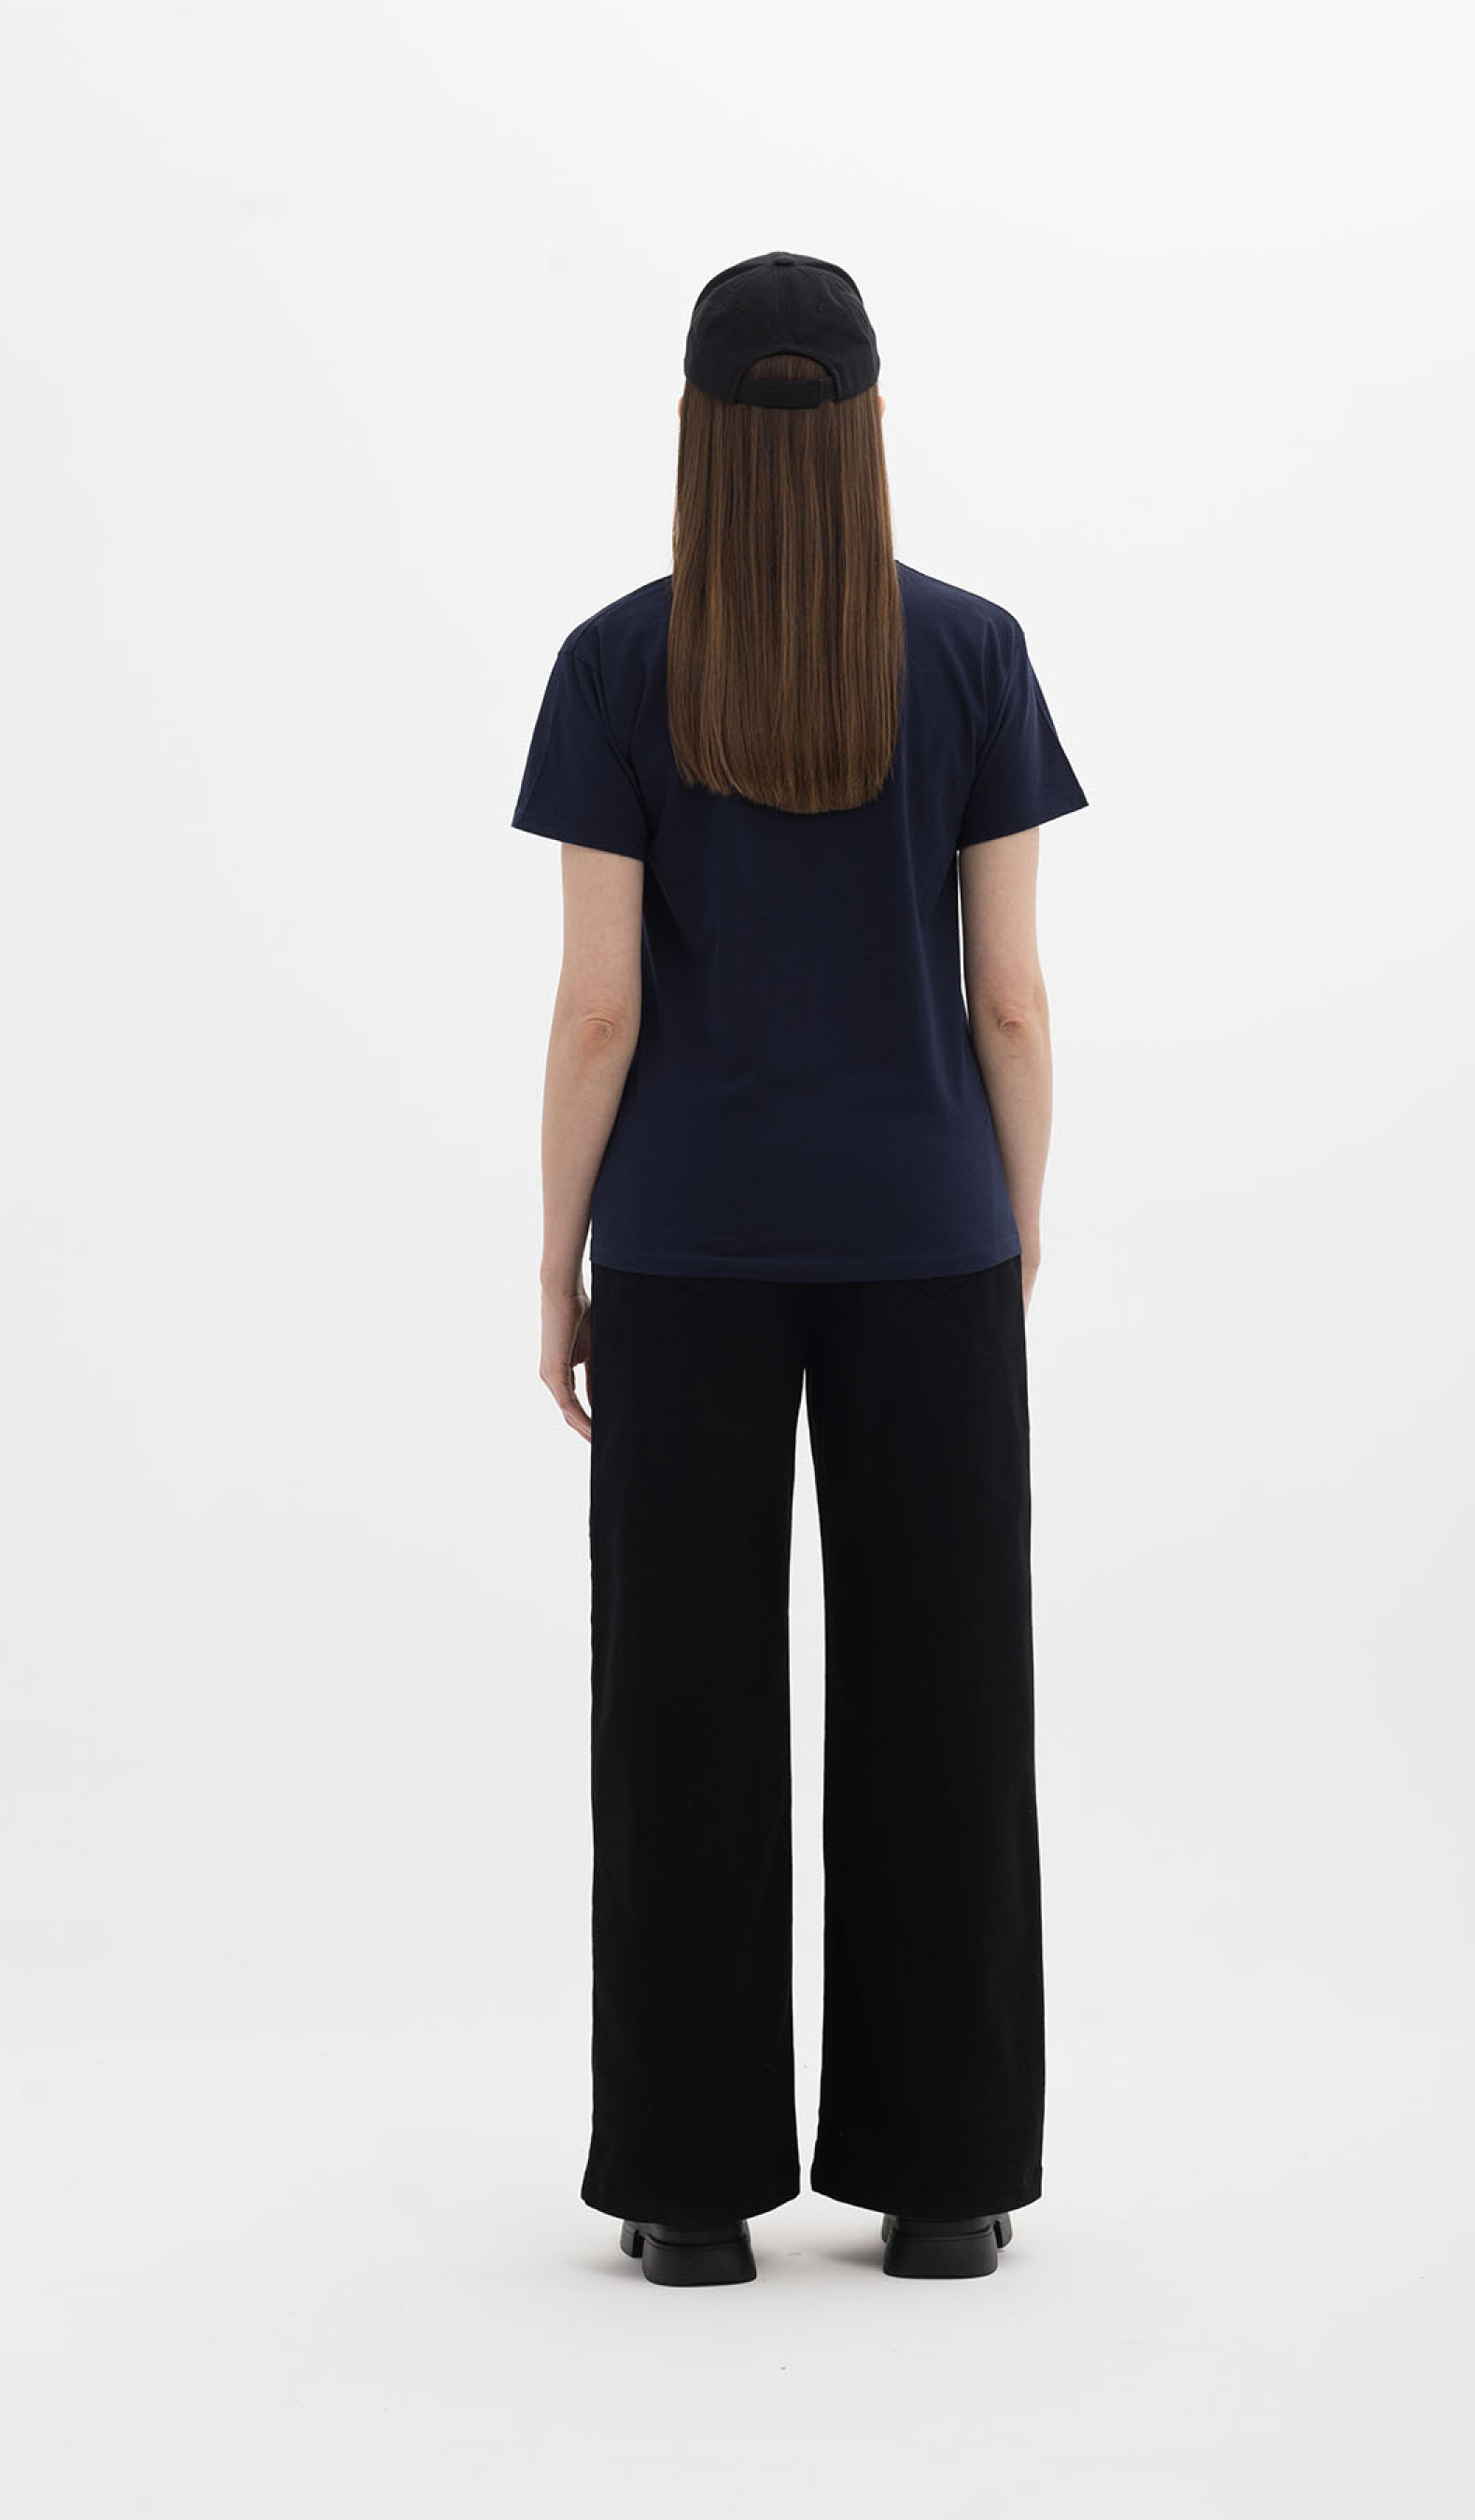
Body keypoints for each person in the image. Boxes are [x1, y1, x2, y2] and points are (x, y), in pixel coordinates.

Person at [512, 250, 1089, 2287]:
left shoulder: (612, 664)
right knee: (947, 1695)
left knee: (678, 1707)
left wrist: (558, 1262)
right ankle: (945, 2186)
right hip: (928, 1238)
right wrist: (1011, 1219)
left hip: (684, 1248)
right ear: (866, 426)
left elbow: (598, 1009)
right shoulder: (971, 653)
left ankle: (687, 2194)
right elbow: (1008, 998)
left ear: (693, 429)